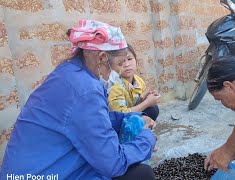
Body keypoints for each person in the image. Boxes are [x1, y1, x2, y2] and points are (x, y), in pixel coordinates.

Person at [0, 20, 157, 180]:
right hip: (42, 174)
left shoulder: (70, 71)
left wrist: (131, 117)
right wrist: (147, 138)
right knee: (141, 174)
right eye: (118, 64)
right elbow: (114, 164)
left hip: (31, 168)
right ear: (102, 58)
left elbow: (94, 122)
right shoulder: (86, 90)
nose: (119, 71)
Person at [108, 44, 160, 120]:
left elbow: (135, 104)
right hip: (119, 121)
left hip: (131, 115)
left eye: (129, 59)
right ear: (112, 67)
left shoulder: (139, 81)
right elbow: (121, 115)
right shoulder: (115, 87)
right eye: (120, 63)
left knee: (153, 109)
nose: (127, 65)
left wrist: (145, 99)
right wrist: (147, 103)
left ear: (136, 60)